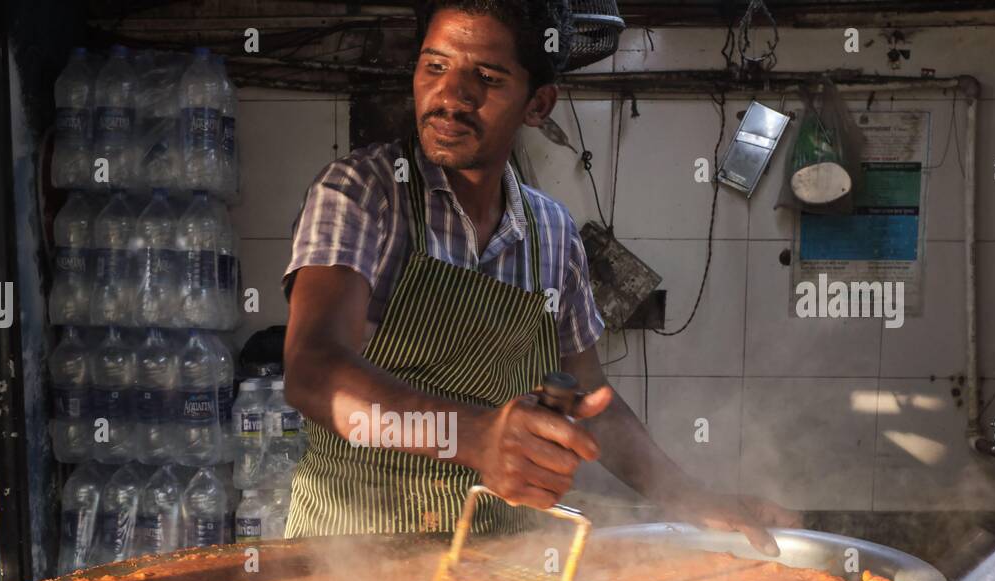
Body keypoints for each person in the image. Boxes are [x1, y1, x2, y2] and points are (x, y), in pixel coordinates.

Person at [282, 0, 797, 552]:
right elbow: (313, 370)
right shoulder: (362, 193)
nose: (451, 96)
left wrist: (688, 495)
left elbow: (590, 394)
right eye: (434, 66)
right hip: (354, 556)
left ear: (538, 103)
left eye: (486, 77)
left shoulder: (551, 232)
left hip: (496, 559)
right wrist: (474, 436)